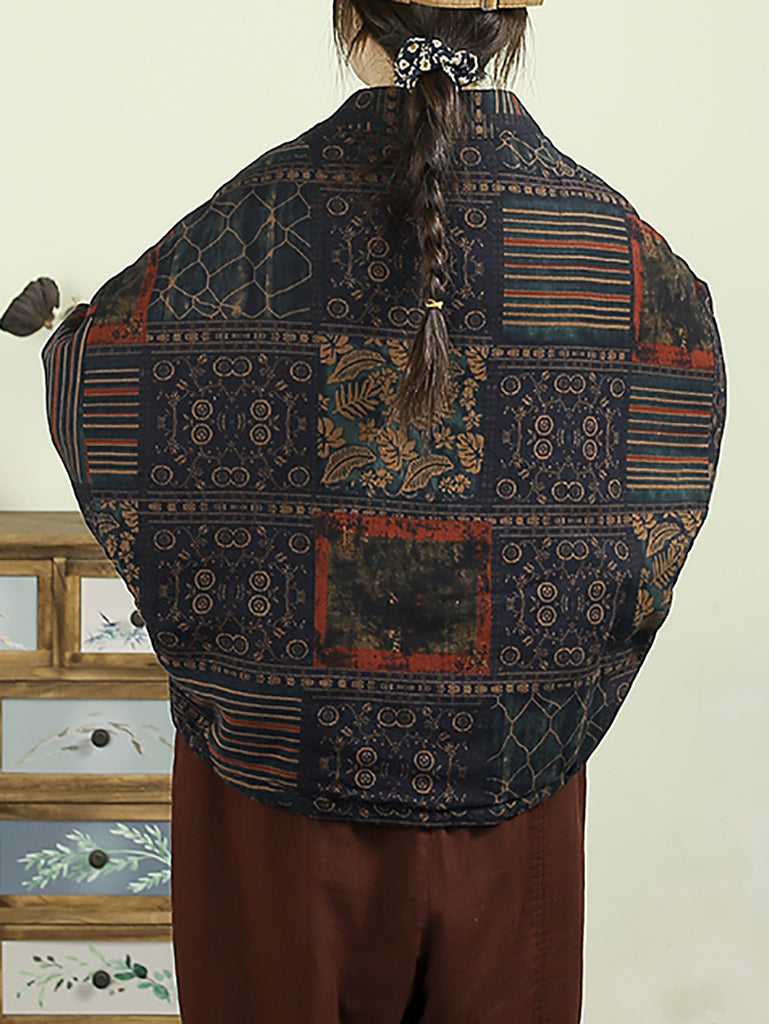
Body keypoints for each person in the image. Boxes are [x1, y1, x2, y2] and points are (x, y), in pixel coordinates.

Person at [42, 0, 726, 1021]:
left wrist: (69, 333)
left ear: (348, 16)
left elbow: (104, 371)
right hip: (511, 783)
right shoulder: (619, 247)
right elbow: (668, 442)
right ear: (511, 21)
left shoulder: (251, 216)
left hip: (277, 788)